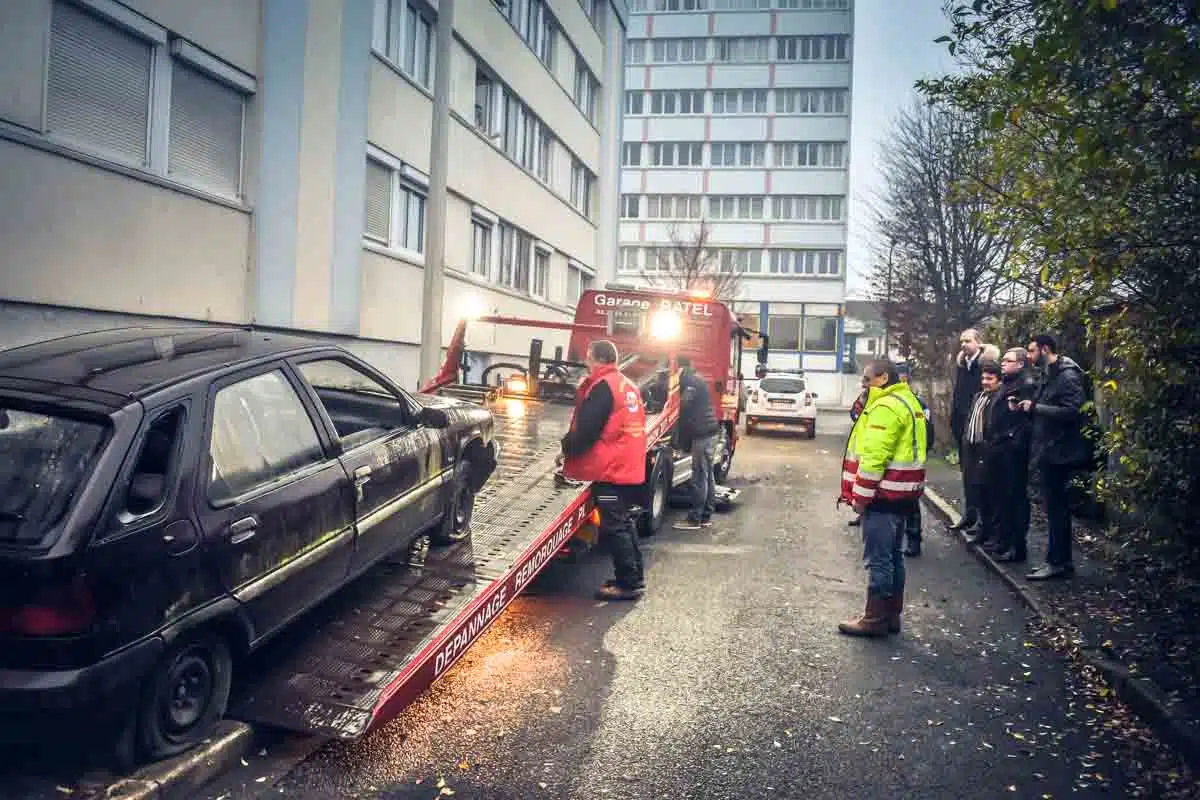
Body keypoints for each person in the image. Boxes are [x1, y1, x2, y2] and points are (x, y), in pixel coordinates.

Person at [838, 359, 928, 637]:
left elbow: (875, 457)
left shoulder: (885, 406)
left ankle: (874, 618)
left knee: (878, 558)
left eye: (867, 379)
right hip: (902, 494)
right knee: (894, 556)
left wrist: (860, 497)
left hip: (883, 494)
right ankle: (891, 615)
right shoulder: (907, 401)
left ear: (882, 378)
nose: (863, 384)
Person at [561, 340, 648, 601]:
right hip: (626, 468)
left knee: (614, 524)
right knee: (623, 521)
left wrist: (567, 450)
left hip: (610, 473)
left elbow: (587, 430)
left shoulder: (603, 387)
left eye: (588, 357)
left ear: (595, 358)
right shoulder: (626, 384)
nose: (587, 362)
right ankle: (633, 576)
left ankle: (628, 583)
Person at [1017, 334, 1089, 580]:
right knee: (1053, 507)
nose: (1029, 355)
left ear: (1045, 349)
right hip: (1050, 449)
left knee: (1057, 509)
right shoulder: (1050, 374)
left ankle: (1059, 562)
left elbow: (1073, 411)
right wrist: (1028, 406)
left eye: (1032, 350)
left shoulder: (1067, 376)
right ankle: (1057, 560)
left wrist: (1036, 408)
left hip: (1060, 452)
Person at [986, 348, 1037, 562]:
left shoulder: (1026, 385)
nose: (1003, 363)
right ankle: (1003, 540)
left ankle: (1016, 546)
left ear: (1021, 364)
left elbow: (1025, 420)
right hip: (1001, 446)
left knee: (1014, 497)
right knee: (1001, 497)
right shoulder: (1009, 382)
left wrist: (1011, 439)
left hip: (1013, 449)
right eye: (1003, 359)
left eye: (1009, 360)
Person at [949, 330, 1000, 532]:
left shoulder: (985, 366)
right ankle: (969, 515)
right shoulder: (963, 365)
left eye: (968, 341)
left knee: (981, 478)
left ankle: (982, 520)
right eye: (961, 341)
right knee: (967, 475)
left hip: (981, 430)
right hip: (964, 428)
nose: (963, 345)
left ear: (979, 343)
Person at [674, 356, 720, 531]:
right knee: (707, 475)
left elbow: (684, 405)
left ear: (678, 367)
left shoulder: (690, 381)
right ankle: (706, 516)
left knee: (700, 476)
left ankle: (695, 518)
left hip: (702, 435)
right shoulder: (696, 378)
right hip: (709, 432)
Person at [962, 361, 1003, 548]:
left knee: (989, 493)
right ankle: (981, 528)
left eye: (990, 378)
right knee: (976, 490)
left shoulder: (997, 399)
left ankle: (991, 533)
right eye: (984, 378)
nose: (985, 382)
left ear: (999, 381)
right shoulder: (978, 396)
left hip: (986, 450)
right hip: (972, 448)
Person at [896, 364, 934, 557]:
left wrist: (921, 455)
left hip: (910, 462)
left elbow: (928, 432)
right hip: (893, 461)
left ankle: (913, 540)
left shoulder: (919, 404)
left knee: (911, 502)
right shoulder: (888, 402)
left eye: (904, 380)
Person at [846, 375, 870, 529]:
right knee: (862, 480)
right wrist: (859, 419)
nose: (863, 384)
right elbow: (854, 411)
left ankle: (867, 516)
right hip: (863, 444)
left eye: (866, 380)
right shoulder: (865, 395)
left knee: (871, 481)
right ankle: (862, 515)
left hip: (874, 445)